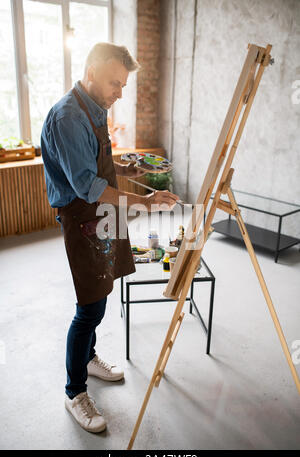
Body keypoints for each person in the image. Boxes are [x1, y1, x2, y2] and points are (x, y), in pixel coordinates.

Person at [41, 42, 179, 433]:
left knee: (100, 295)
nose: (120, 93)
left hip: (101, 212)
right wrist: (146, 202)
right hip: (83, 215)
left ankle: (89, 357)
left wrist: (134, 168)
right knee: (89, 307)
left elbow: (102, 164)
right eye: (115, 83)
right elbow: (89, 185)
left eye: (122, 85)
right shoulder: (68, 117)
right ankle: (74, 392)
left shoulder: (94, 108)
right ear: (91, 72)